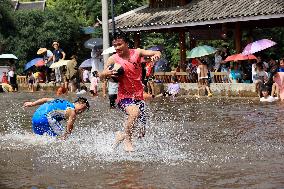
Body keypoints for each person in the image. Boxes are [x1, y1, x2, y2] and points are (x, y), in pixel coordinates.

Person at [100, 32, 161, 152]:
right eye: (115, 45)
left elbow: (156, 52)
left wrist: (156, 56)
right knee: (134, 112)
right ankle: (127, 141)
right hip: (123, 96)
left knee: (141, 132)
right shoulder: (113, 59)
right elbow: (102, 76)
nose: (117, 47)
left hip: (138, 96)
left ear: (126, 44)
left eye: (119, 44)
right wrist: (104, 74)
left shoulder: (137, 52)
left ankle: (121, 135)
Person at [23, 97, 89, 139]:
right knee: (60, 139)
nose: (81, 111)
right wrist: (66, 136)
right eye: (82, 108)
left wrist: (32, 104)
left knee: (37, 138)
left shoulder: (61, 101)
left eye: (83, 110)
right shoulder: (72, 112)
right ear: (78, 103)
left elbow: (45, 99)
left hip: (35, 117)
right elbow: (70, 126)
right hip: (45, 118)